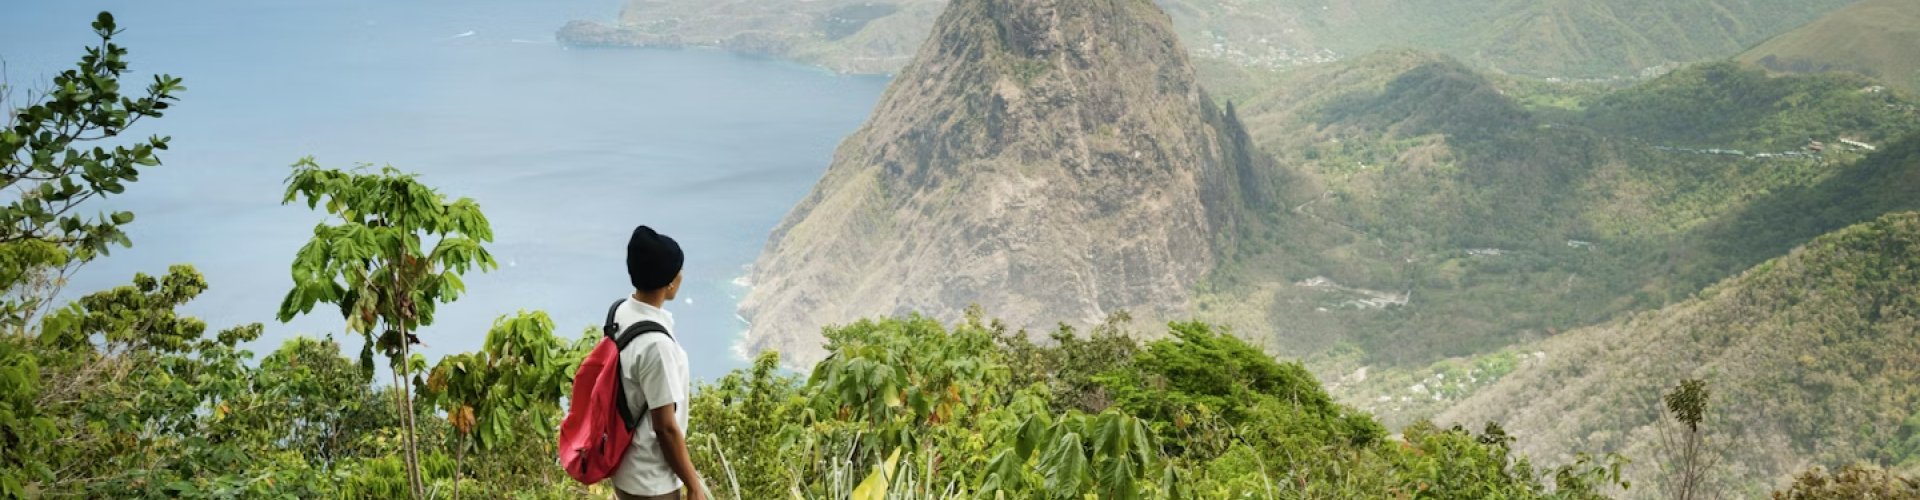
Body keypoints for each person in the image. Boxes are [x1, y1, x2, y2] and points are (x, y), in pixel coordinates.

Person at [611, 226, 706, 500]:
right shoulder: (656, 345)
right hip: (652, 481)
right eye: (679, 271)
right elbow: (664, 426)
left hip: (627, 465)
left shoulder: (621, 311)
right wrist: (694, 485)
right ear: (670, 283)